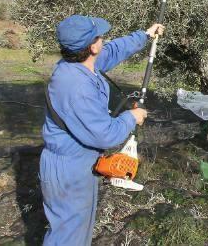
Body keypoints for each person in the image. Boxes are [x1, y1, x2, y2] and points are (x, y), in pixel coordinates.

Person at [40, 14, 164, 245]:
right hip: (69, 171)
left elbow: (115, 50)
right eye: (100, 37)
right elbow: (105, 135)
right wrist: (131, 117)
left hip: (77, 164)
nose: (104, 39)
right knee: (68, 236)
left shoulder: (78, 64)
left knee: (77, 231)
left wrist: (145, 35)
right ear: (92, 46)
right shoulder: (77, 87)